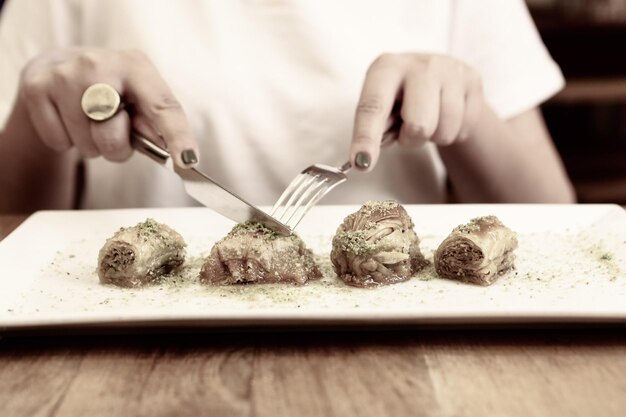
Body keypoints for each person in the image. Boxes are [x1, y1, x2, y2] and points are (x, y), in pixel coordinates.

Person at [0, 0, 575, 213]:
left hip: (416, 338)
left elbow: (556, 220)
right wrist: (37, 121)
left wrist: (467, 119)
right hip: (121, 345)